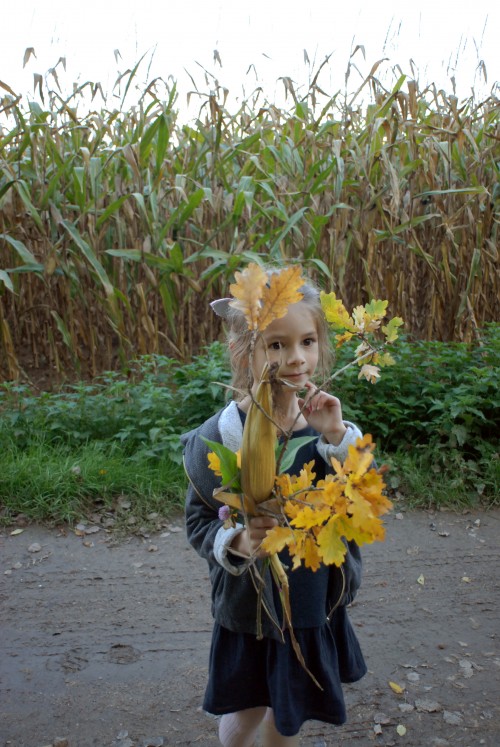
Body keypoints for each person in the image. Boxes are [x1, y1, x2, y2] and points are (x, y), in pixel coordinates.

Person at [181, 273, 367, 747]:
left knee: (288, 716)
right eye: (277, 345)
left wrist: (336, 437)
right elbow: (200, 520)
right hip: (250, 609)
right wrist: (238, 540)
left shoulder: (327, 430)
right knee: (245, 714)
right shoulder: (220, 436)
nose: (295, 358)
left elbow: (359, 499)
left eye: (306, 341)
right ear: (248, 352)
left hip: (307, 603)